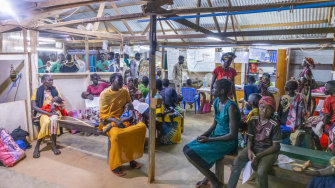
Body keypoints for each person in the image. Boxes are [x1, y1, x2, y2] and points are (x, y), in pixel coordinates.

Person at [183, 79, 241, 188]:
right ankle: (211, 178)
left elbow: (232, 135)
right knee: (187, 149)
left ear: (222, 91)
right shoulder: (216, 102)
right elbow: (214, 124)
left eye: (214, 88)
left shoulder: (231, 107)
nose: (212, 90)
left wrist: (209, 140)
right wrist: (204, 135)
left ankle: (213, 180)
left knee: (191, 153)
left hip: (227, 141)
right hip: (215, 136)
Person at [227, 96, 282, 188]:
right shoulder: (254, 120)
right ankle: (230, 186)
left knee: (261, 172)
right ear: (259, 107)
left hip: (269, 151)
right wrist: (249, 151)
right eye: (262, 107)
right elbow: (250, 139)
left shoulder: (274, 124)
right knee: (238, 160)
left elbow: (275, 146)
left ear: (273, 111)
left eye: (268, 109)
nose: (264, 111)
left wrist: (258, 156)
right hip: (255, 147)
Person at [98, 73, 146, 177]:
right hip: (109, 122)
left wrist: (131, 116)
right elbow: (103, 116)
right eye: (118, 80)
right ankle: (115, 166)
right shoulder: (104, 94)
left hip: (123, 120)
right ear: (111, 81)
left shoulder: (124, 92)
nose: (121, 82)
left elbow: (130, 106)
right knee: (117, 136)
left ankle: (131, 159)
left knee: (141, 127)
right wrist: (116, 121)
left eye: (121, 80)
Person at [31, 75, 63, 158]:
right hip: (43, 112)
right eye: (49, 80)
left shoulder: (55, 89)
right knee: (45, 122)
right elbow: (34, 106)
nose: (51, 82)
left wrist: (53, 104)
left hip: (54, 111)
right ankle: (37, 146)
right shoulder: (37, 91)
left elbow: (59, 100)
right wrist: (47, 112)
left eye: (52, 80)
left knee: (54, 121)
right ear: (43, 81)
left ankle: (54, 145)